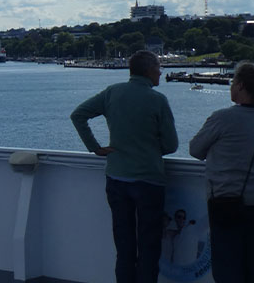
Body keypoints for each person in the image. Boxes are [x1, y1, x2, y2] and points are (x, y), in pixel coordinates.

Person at [70, 50, 178, 283]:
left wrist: (95, 147)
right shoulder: (158, 100)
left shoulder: (113, 92)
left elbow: (78, 115)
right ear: (149, 71)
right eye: (159, 67)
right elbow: (171, 145)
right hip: (149, 181)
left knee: (124, 245)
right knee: (149, 245)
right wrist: (149, 148)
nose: (161, 72)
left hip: (117, 179)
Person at [189, 60, 254, 282]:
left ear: (240, 85)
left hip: (225, 205)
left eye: (233, 82)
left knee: (227, 268)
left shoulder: (222, 118)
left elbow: (195, 149)